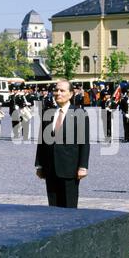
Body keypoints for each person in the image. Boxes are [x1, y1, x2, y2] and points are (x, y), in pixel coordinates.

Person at [35, 79, 90, 208]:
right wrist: (39, 164)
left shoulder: (79, 113)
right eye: (56, 90)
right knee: (53, 206)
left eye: (62, 90)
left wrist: (83, 166)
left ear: (71, 94)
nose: (58, 93)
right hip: (50, 167)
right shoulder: (47, 113)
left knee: (69, 207)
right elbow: (41, 142)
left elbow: (84, 142)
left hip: (69, 168)